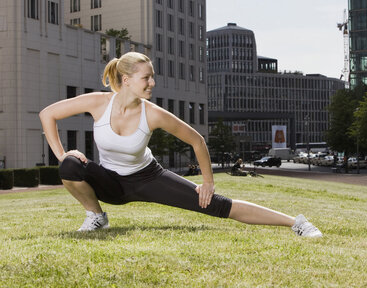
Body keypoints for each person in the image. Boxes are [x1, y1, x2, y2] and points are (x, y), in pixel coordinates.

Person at [39, 52, 322, 237]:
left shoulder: (153, 113)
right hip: (110, 183)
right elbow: (47, 114)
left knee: (216, 206)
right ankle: (97, 216)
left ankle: (296, 223)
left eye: (152, 76)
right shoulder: (99, 102)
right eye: (145, 78)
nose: (152, 83)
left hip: (148, 178)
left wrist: (208, 183)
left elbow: (197, 141)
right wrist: (64, 154)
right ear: (126, 80)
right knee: (70, 166)